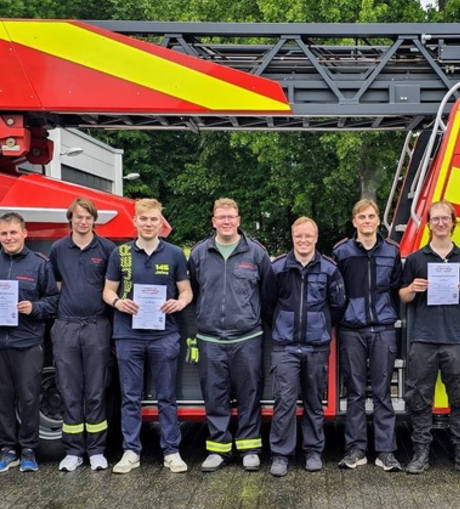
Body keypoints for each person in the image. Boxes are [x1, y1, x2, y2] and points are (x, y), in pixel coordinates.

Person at [103, 198, 192, 474]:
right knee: (130, 396)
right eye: (144, 219)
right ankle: (131, 451)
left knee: (167, 395)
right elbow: (107, 291)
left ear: (160, 222)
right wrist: (118, 303)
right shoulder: (121, 254)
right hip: (128, 335)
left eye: (154, 219)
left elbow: (186, 290)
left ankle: (172, 451)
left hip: (164, 334)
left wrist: (180, 303)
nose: (149, 224)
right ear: (136, 221)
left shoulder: (175, 253)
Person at [188, 198, 274, 472]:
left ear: (239, 219)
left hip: (247, 338)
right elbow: (192, 290)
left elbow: (268, 295)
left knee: (250, 394)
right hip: (211, 338)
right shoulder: (200, 253)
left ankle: (249, 448)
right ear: (213, 220)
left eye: (231, 216)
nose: (226, 221)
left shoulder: (256, 254)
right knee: (214, 395)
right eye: (221, 216)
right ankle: (218, 449)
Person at [399, 200, 460, 477]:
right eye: (435, 219)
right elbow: (402, 296)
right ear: (429, 223)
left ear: (453, 222)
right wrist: (411, 288)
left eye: (445, 218)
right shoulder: (415, 259)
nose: (441, 223)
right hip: (422, 339)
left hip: (455, 339)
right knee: (419, 398)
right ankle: (421, 453)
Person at [0, 212, 59, 472]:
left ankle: (29, 450)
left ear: (24, 233)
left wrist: (33, 307)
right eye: (4, 233)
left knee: (29, 397)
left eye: (13, 232)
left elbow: (53, 301)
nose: (9, 238)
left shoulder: (39, 264)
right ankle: (7, 449)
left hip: (28, 342)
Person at [264, 216, 346, 477]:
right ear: (292, 237)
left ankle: (313, 451)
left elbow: (337, 306)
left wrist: (319, 326)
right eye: (299, 236)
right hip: (284, 345)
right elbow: (267, 305)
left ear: (316, 238)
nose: (303, 240)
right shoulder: (277, 268)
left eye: (308, 236)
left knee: (313, 400)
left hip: (316, 345)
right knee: (284, 401)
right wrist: (282, 326)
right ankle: (280, 455)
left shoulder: (330, 270)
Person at [333, 199, 403, 472]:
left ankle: (386, 452)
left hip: (383, 329)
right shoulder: (342, 252)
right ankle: (356, 450)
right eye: (361, 216)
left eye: (372, 216)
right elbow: (335, 291)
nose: (367, 221)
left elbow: (398, 286)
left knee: (383, 393)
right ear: (354, 221)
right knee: (355, 392)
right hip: (351, 329)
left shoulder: (392, 251)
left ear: (378, 221)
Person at [49, 198, 117, 472]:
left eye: (88, 217)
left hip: (97, 326)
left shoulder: (107, 249)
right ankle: (74, 451)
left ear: (94, 220)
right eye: (78, 217)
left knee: (97, 390)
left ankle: (97, 450)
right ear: (71, 219)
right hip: (66, 326)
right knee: (69, 390)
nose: (83, 222)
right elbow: (56, 284)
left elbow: (113, 286)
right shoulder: (58, 249)